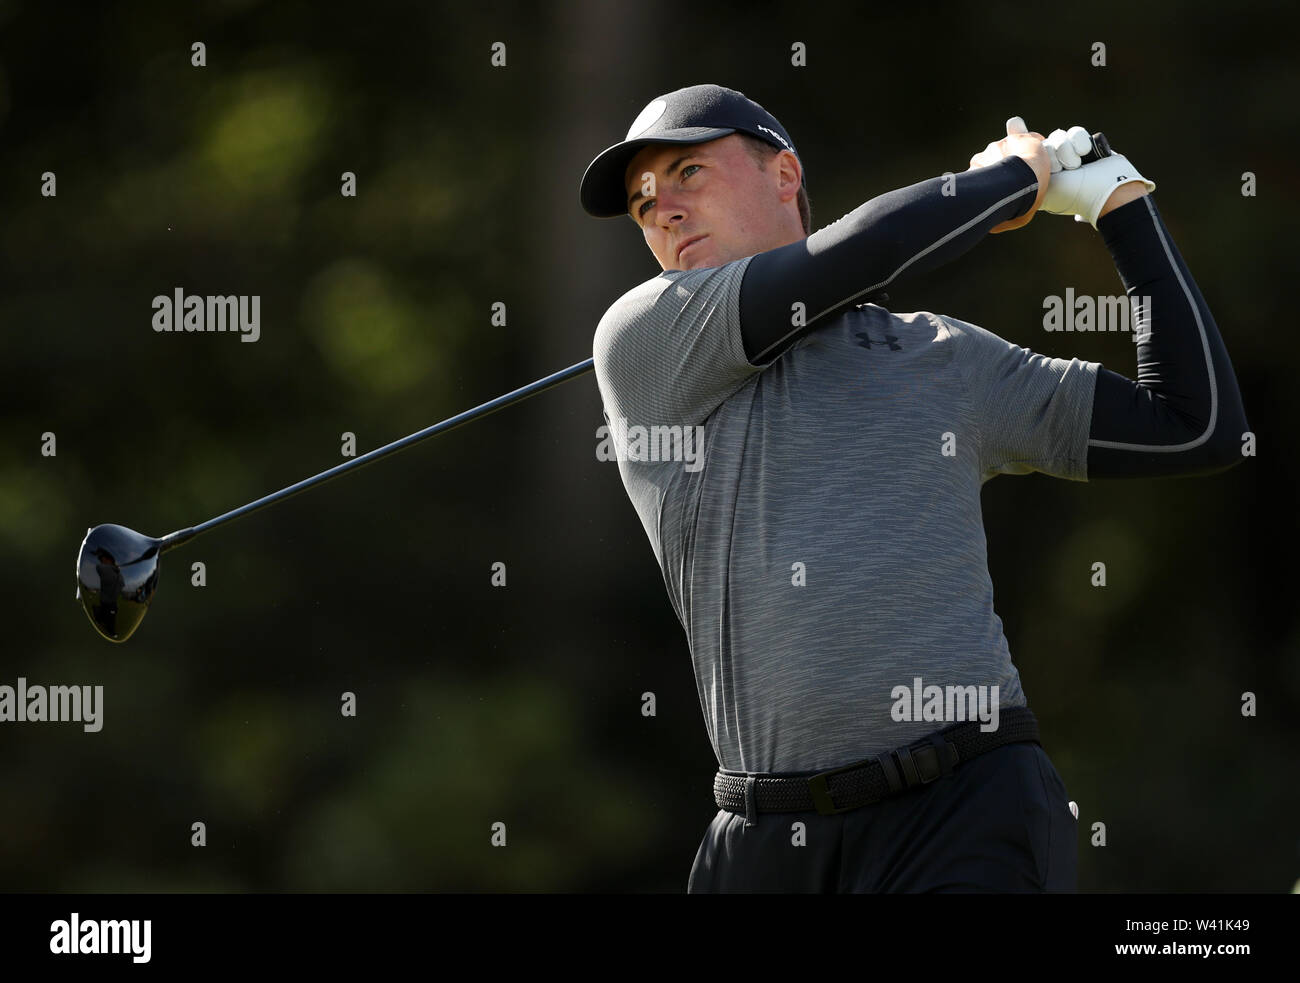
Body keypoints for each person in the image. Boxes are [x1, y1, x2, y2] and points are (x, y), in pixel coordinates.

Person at [579, 83, 1249, 892]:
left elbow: (1194, 422)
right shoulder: (642, 337)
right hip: (762, 839)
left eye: (688, 171)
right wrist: (1016, 176)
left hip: (964, 807)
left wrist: (1121, 203)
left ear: (784, 174)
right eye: (644, 202)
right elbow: (864, 251)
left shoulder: (942, 358)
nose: (664, 210)